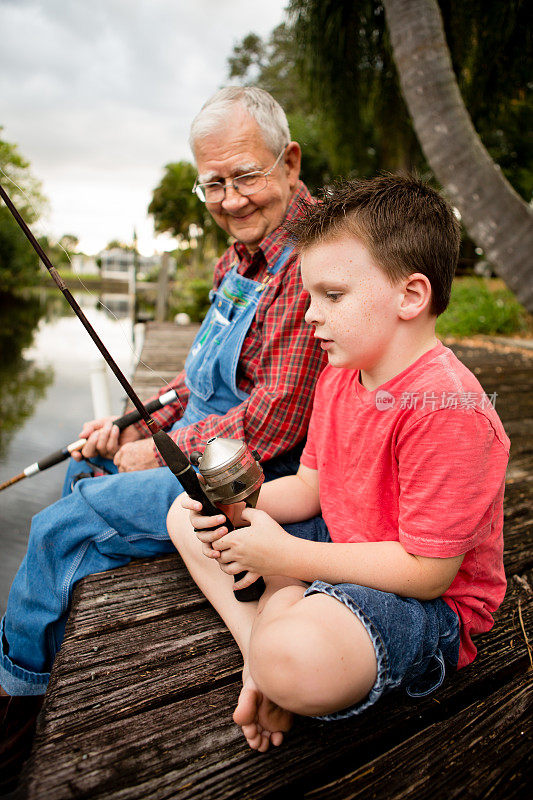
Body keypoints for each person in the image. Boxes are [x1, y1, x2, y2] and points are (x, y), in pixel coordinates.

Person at [0, 86, 327, 787]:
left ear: (289, 160)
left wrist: (159, 449)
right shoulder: (236, 257)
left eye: (245, 176)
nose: (229, 199)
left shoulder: (312, 262)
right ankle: (58, 652)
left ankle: (17, 695)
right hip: (206, 448)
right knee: (84, 472)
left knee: (60, 527)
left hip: (256, 473)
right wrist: (125, 424)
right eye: (212, 182)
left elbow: (274, 425)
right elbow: (187, 384)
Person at [168, 175, 510, 752]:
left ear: (411, 295)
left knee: (299, 662)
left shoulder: (448, 408)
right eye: (307, 296)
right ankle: (262, 650)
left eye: (331, 296)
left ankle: (277, 645)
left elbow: (429, 572)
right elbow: (307, 490)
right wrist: (229, 506)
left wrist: (287, 557)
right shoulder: (338, 378)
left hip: (425, 601)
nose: (309, 317)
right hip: (344, 540)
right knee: (184, 512)